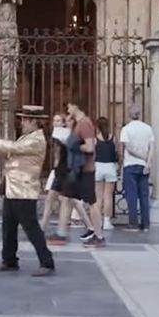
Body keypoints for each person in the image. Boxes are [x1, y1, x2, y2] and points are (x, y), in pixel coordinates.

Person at [0, 105, 56, 277]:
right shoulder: (26, 136)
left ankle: (47, 262)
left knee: (31, 228)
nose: (22, 122)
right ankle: (9, 260)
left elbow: (14, 149)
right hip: (12, 188)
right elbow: (13, 153)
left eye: (25, 119)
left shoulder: (37, 139)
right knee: (8, 227)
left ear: (34, 122)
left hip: (24, 190)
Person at [60, 101, 105, 247]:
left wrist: (76, 146)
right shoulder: (78, 123)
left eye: (69, 106)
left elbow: (90, 146)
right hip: (78, 169)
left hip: (85, 169)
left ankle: (98, 236)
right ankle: (61, 234)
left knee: (91, 203)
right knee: (67, 197)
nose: (67, 109)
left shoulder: (85, 123)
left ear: (76, 106)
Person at [119, 105, 154, 232]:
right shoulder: (148, 128)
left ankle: (133, 223)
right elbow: (151, 148)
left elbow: (128, 148)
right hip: (144, 166)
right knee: (144, 196)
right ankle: (146, 224)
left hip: (130, 165)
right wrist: (148, 163)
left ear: (129, 115)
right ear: (139, 114)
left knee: (132, 195)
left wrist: (141, 157)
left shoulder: (126, 129)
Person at [42, 112, 71, 238]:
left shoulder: (60, 135)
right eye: (55, 120)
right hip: (62, 170)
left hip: (62, 171)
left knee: (64, 200)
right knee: (53, 199)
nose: (56, 123)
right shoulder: (67, 134)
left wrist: (54, 168)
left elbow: (57, 155)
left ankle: (60, 230)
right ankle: (44, 227)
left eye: (59, 121)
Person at [92, 115, 119, 234]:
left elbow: (92, 155)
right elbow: (117, 152)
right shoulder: (113, 138)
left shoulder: (95, 139)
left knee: (98, 197)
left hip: (98, 166)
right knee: (108, 196)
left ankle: (98, 222)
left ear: (97, 126)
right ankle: (107, 221)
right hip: (110, 166)